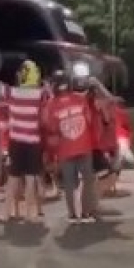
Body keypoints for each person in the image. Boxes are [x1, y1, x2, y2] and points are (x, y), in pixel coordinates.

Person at [46, 73, 97, 224]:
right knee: (87, 180)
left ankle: (73, 214)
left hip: (65, 150)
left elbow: (52, 129)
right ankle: (86, 213)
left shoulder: (51, 104)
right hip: (83, 146)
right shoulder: (80, 99)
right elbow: (89, 120)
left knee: (70, 183)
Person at [2, 60, 45, 223]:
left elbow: (0, 87)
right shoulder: (40, 94)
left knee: (13, 177)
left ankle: (6, 212)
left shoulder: (10, 92)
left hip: (15, 141)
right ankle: (29, 213)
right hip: (33, 141)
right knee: (30, 179)